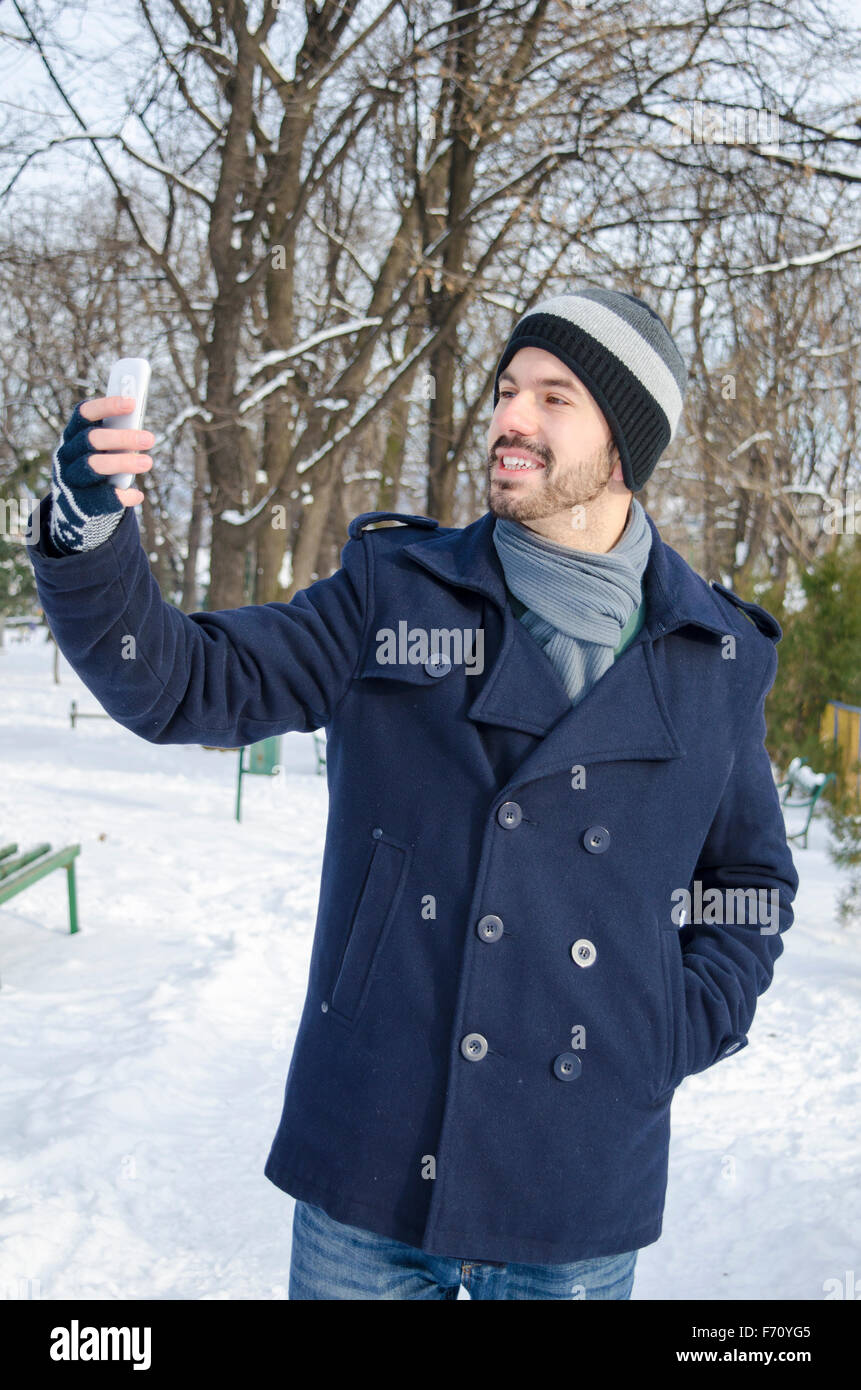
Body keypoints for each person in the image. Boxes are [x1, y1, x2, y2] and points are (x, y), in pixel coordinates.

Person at [26, 288, 798, 1301]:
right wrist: (86, 532)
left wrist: (670, 1026)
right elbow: (182, 682)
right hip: (374, 1165)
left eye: (555, 397)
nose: (511, 417)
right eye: (506, 388)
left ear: (625, 444)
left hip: (574, 1187)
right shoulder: (396, 592)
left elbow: (748, 879)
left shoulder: (715, 655)